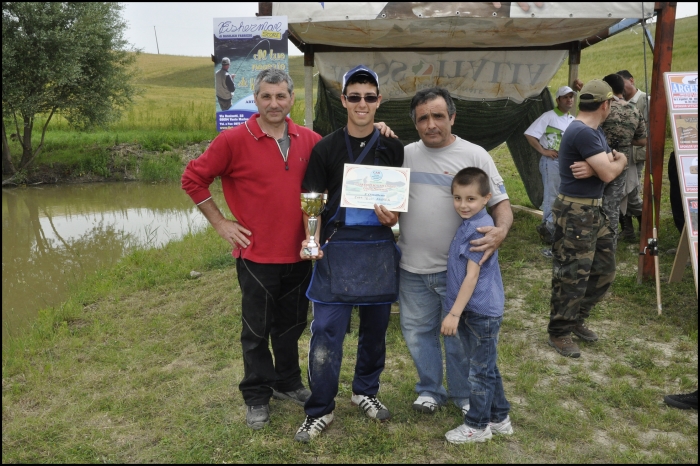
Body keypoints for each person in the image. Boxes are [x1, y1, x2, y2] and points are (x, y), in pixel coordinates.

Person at [182, 69, 321, 430]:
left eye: (281, 96)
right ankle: (257, 394)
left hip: (300, 253)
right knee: (256, 331)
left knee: (291, 325)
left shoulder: (311, 140)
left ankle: (288, 382)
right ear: (255, 100)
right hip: (256, 255)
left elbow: (340, 178)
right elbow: (192, 178)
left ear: (292, 99)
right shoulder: (232, 141)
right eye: (266, 96)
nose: (274, 103)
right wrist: (220, 223)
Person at [293, 65, 404, 443]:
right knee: (326, 331)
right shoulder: (325, 148)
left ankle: (365, 392)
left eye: (369, 97)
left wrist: (394, 219)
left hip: (377, 247)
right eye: (354, 96)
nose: (361, 103)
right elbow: (312, 203)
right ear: (343, 100)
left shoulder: (393, 146)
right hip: (335, 248)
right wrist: (312, 241)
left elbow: (397, 202)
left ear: (378, 101)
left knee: (375, 329)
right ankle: (320, 409)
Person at [398, 87, 512, 416]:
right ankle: (430, 390)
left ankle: (464, 394)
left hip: (459, 273)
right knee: (418, 333)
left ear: (452, 117)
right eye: (423, 118)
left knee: (460, 338)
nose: (431, 124)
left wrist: (500, 232)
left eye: (438, 116)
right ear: (415, 123)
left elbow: (501, 204)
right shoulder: (404, 155)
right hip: (412, 267)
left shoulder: (475, 155)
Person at [547, 79, 628, 358]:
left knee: (604, 268)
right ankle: (559, 331)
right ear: (605, 104)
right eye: (610, 105)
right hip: (576, 213)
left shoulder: (593, 131)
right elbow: (609, 171)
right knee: (573, 275)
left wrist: (608, 165)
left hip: (594, 210)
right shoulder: (584, 133)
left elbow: (609, 164)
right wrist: (616, 164)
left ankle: (576, 317)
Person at [441, 167, 513, 444]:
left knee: (480, 371)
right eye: (457, 198)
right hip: (477, 310)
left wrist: (453, 314)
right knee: (487, 366)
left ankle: (478, 425)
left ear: (487, 198)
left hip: (480, 310)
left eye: (471, 199)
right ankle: (500, 417)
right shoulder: (471, 223)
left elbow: (471, 277)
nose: (463, 205)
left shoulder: (479, 230)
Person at [524, 86, 576, 247]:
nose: (569, 100)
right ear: (558, 100)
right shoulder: (549, 116)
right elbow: (529, 134)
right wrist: (543, 151)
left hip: (565, 163)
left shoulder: (572, 119)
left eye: (571, 97)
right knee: (551, 196)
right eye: (565, 97)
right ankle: (548, 229)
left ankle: (555, 227)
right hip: (551, 162)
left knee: (561, 195)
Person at [600, 73, 646, 247]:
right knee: (614, 202)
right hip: (623, 162)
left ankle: (600, 239)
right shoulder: (634, 110)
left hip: (602, 159)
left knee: (599, 201)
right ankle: (611, 242)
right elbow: (643, 140)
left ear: (608, 90)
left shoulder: (604, 108)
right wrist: (626, 141)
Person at [617, 69, 649, 237]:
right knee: (622, 190)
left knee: (632, 191)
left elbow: (649, 132)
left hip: (636, 155)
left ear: (631, 80)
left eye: (623, 84)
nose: (621, 88)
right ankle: (627, 229)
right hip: (622, 154)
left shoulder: (645, 100)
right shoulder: (619, 101)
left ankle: (646, 228)